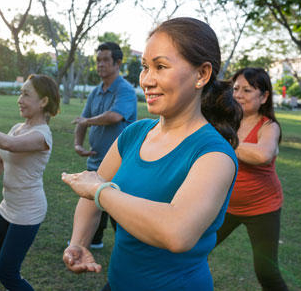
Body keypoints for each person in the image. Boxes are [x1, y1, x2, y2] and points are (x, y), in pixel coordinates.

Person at [61, 17, 243, 291]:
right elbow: (90, 197)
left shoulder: (214, 154)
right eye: (145, 67)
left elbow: (177, 232)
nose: (146, 80)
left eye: (160, 66)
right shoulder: (134, 134)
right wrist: (78, 242)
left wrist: (101, 192)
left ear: (201, 75)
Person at [0, 74, 60, 291]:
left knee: (7, 272)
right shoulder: (17, 127)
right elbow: (0, 158)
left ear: (43, 101)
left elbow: (9, 144)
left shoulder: (42, 136)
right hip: (8, 205)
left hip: (28, 210)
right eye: (20, 93)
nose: (20, 99)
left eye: (26, 94)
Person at [215, 68, 289, 290]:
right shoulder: (225, 121)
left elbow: (263, 154)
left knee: (266, 272)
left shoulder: (268, 126)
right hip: (226, 205)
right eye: (236, 88)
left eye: (247, 90)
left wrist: (224, 142)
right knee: (193, 249)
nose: (238, 95)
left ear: (264, 97)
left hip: (262, 208)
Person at [71, 41, 137, 248]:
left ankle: (129, 245)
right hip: (96, 158)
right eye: (98, 60)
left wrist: (87, 122)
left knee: (117, 205)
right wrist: (78, 144)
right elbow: (82, 120)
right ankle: (95, 240)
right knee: (92, 199)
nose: (100, 64)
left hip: (120, 162)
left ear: (118, 63)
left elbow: (115, 116)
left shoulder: (125, 90)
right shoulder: (95, 91)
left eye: (105, 60)